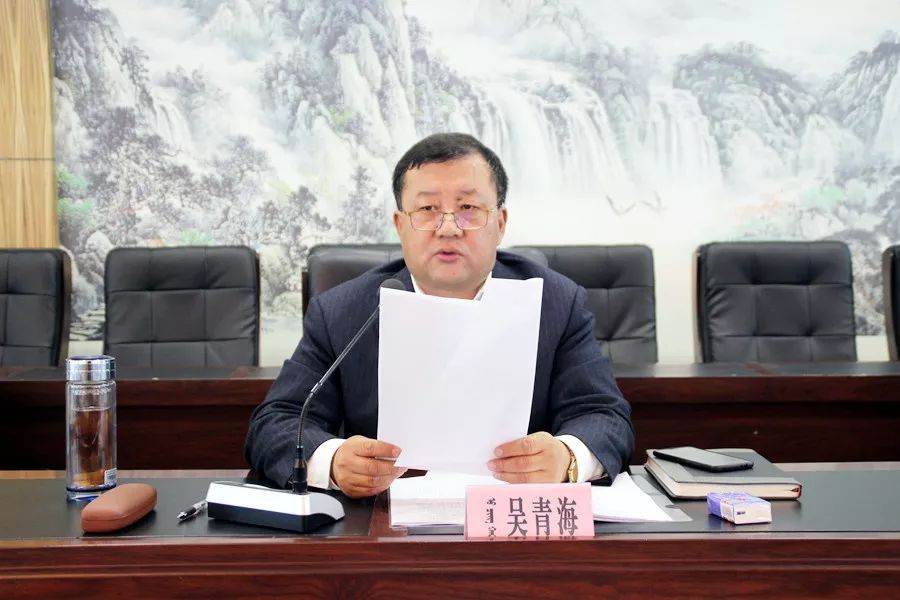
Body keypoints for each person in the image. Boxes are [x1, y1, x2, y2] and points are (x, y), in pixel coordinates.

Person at [245, 133, 634, 498]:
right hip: (386, 521)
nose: (449, 228)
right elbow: (277, 422)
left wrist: (565, 458)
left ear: (500, 224)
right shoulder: (344, 311)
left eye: (468, 208)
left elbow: (605, 417)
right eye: (428, 209)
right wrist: (331, 461)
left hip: (512, 519)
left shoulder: (556, 302)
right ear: (401, 225)